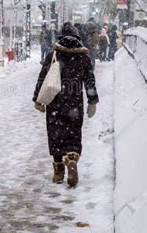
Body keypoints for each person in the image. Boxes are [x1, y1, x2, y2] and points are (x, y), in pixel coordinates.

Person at [33, 22, 99, 187]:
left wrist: (38, 99)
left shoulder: (53, 55)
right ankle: (72, 159)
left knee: (56, 135)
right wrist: (92, 101)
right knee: (74, 134)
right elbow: (90, 82)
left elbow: (42, 79)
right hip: (74, 104)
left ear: (60, 37)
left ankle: (58, 171)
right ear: (78, 38)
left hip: (55, 103)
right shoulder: (83, 58)